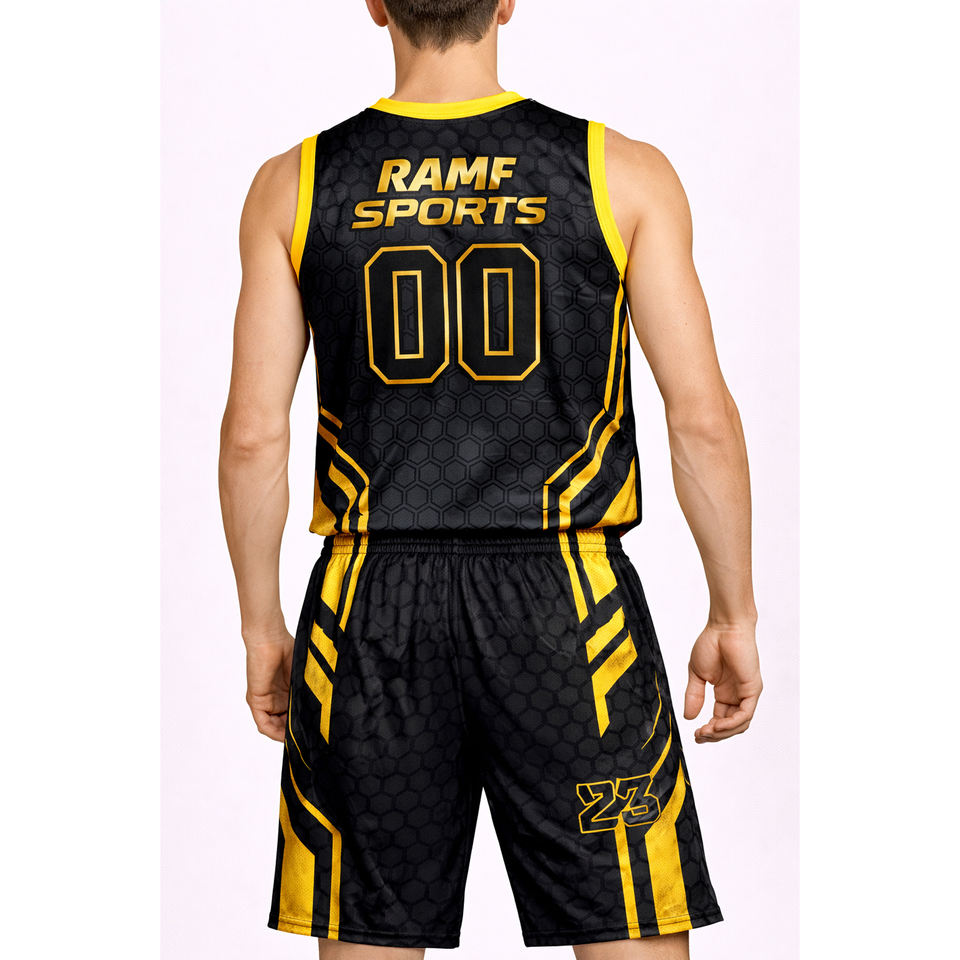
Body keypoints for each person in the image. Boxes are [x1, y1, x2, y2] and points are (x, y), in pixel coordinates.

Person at [219, 1, 762, 956]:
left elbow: (255, 438)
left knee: (369, 934)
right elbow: (701, 417)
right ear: (505, 0)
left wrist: (264, 628)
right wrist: (734, 613)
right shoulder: (617, 171)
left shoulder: (293, 186)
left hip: (370, 604)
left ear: (377, 4)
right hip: (567, 605)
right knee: (629, 925)